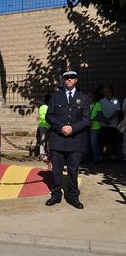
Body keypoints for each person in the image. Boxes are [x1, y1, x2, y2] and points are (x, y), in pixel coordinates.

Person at [45, 70, 90, 209]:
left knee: (73, 170)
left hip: (75, 140)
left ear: (76, 80)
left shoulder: (84, 97)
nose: (69, 80)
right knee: (57, 170)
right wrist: (61, 127)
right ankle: (56, 195)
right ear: (63, 80)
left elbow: (86, 118)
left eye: (72, 77)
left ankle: (73, 196)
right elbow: (49, 116)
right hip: (58, 139)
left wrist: (73, 128)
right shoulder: (55, 96)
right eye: (66, 78)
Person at [99, 86, 121, 161]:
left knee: (111, 142)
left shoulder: (116, 100)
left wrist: (109, 119)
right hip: (103, 124)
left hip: (113, 125)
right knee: (103, 142)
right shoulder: (102, 100)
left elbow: (117, 111)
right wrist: (105, 119)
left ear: (111, 91)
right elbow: (100, 111)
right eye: (104, 92)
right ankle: (103, 156)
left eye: (107, 91)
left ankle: (111, 156)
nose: (106, 93)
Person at [88, 91, 104, 164]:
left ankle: (96, 159)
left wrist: (91, 120)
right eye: (89, 96)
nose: (90, 98)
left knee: (93, 144)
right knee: (87, 143)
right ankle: (89, 158)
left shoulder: (98, 104)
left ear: (94, 97)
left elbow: (99, 115)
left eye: (91, 96)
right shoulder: (86, 105)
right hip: (87, 127)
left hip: (95, 127)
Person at [37, 94, 50, 160]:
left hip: (41, 125)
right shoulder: (47, 107)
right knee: (47, 139)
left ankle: (42, 153)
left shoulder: (41, 107)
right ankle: (46, 153)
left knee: (42, 139)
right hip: (47, 125)